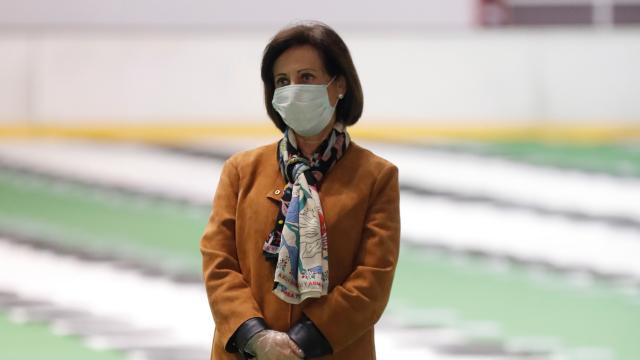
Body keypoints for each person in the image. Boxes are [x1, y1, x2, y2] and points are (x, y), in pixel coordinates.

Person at [200, 20, 401, 360]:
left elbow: (372, 281)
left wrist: (298, 345)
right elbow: (219, 264)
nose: (293, 89)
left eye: (306, 77)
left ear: (339, 85)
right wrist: (256, 337)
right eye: (283, 81)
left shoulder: (376, 177)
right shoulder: (241, 170)